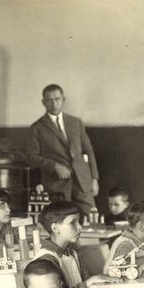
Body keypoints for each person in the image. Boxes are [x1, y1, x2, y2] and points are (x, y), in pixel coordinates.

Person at [34, 200, 119, 288]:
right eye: (73, 222)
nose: (80, 227)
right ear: (55, 228)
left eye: (78, 222)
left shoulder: (71, 253)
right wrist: (90, 282)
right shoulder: (47, 259)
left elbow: (87, 286)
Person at [26, 84, 100, 217]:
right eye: (49, 100)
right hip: (57, 187)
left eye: (57, 99)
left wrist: (94, 179)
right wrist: (54, 166)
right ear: (43, 102)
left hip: (82, 183)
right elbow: (31, 156)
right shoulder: (37, 128)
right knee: (62, 224)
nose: (54, 103)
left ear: (63, 99)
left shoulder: (76, 123)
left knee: (92, 220)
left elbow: (88, 150)